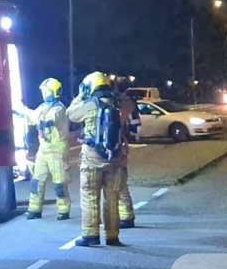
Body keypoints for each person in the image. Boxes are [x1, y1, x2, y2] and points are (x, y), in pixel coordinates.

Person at [67, 72, 128, 247]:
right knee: (112, 198)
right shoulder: (119, 104)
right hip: (115, 160)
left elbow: (70, 114)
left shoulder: (89, 105)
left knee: (89, 196)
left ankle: (90, 234)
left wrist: (80, 96)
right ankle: (112, 236)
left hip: (92, 160)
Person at [17, 78, 71, 220]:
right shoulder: (43, 106)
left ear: (55, 92)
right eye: (43, 91)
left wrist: (27, 113)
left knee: (59, 184)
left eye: (47, 91)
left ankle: (64, 209)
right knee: (37, 181)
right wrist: (21, 111)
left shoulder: (59, 108)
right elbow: (33, 117)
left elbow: (46, 120)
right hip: (44, 149)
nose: (44, 93)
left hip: (57, 150)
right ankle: (34, 209)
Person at [113, 76, 142, 228]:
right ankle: (125, 215)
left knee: (113, 183)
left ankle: (122, 215)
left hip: (104, 149)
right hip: (121, 146)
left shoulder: (98, 103)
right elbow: (136, 127)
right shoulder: (127, 103)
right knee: (120, 181)